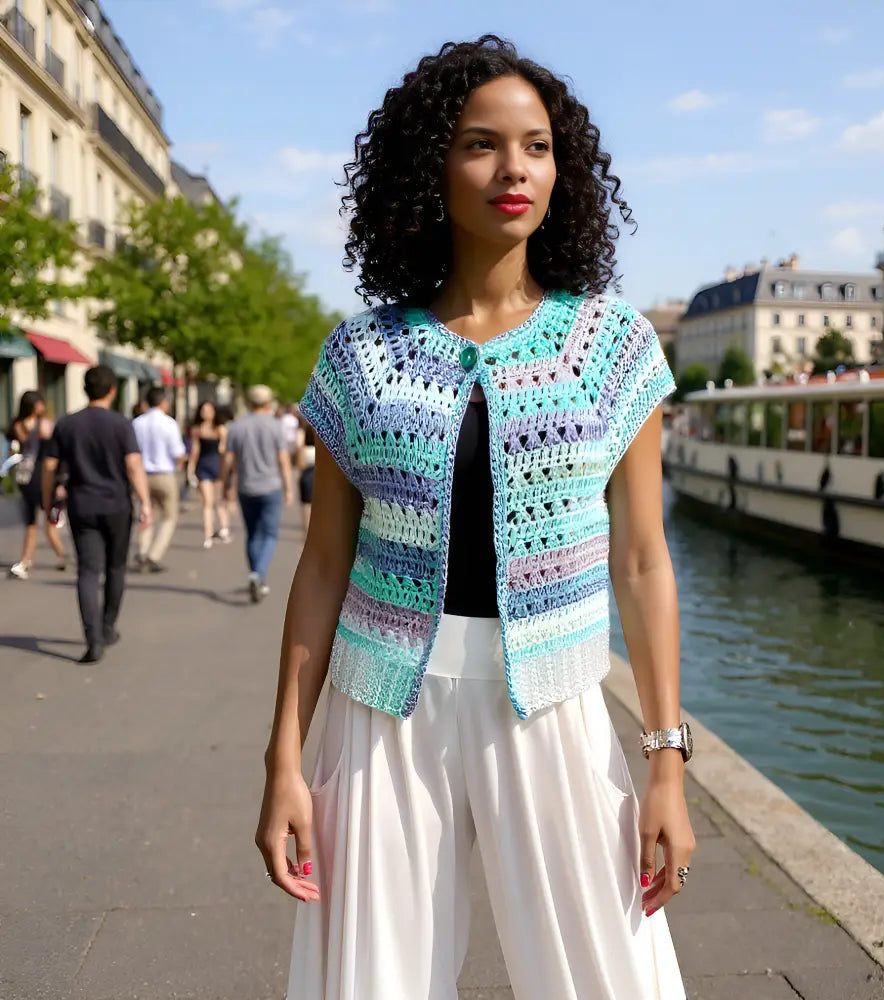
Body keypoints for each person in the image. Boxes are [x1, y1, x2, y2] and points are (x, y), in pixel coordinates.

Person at [255, 37, 693, 1000]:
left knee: (609, 979)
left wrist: (666, 761)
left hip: (556, 702)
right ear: (431, 167)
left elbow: (645, 563)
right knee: (372, 983)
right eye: (481, 145)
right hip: (377, 715)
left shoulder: (612, 346)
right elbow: (323, 567)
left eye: (536, 147)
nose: (514, 171)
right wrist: (285, 755)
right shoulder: (361, 354)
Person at [42, 365, 151, 664]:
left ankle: (93, 639)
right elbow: (133, 465)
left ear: (84, 389)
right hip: (117, 505)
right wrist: (146, 502)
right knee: (116, 568)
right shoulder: (120, 424)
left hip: (82, 505)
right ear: (113, 390)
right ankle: (107, 626)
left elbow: (50, 467)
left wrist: (47, 501)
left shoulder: (66, 424)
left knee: (88, 572)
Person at [222, 384, 292, 603]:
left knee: (252, 533)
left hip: (246, 487)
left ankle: (255, 574)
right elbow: (283, 459)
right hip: (270, 486)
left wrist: (225, 484)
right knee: (269, 534)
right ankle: (258, 574)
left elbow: (228, 460)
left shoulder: (236, 427)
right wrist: (289, 487)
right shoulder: (275, 426)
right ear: (268, 402)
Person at [6, 391, 67, 579]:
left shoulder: (17, 425)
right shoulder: (44, 426)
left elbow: (15, 449)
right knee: (49, 519)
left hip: (24, 474)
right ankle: (61, 555)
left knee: (31, 522)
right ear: (35, 405)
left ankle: (26, 560)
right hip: (42, 474)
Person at [132, 387, 186, 571]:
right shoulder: (169, 423)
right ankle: (154, 554)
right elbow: (177, 452)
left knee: (146, 513)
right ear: (163, 402)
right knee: (169, 516)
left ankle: (143, 549)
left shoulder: (137, 423)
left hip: (142, 474)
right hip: (164, 473)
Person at [186, 400, 231, 549]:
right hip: (203, 467)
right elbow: (194, 451)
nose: (206, 413)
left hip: (217, 467)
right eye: (203, 410)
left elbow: (224, 451)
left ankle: (224, 528)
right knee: (207, 502)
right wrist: (190, 469)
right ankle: (208, 534)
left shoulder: (220, 429)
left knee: (218, 500)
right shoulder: (197, 430)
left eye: (209, 410)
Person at [294, 422, 316, 532]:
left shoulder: (305, 450)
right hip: (316, 478)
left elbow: (299, 465)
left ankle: (306, 532)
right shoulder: (321, 451)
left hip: (306, 478)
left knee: (306, 508)